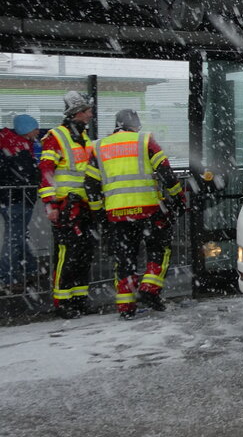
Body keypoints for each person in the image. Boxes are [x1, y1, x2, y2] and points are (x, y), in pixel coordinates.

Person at [85, 109, 184, 319]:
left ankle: (126, 307)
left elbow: (91, 185)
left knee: (124, 259)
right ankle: (150, 288)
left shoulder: (99, 147)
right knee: (159, 249)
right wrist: (178, 196)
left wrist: (98, 213)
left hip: (116, 214)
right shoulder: (145, 140)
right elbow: (166, 171)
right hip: (149, 209)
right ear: (135, 125)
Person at [38, 91, 98, 318]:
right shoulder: (56, 136)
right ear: (78, 112)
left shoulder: (84, 138)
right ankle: (63, 303)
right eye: (88, 110)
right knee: (68, 255)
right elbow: (46, 171)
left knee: (84, 255)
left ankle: (79, 300)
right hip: (65, 207)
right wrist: (50, 205)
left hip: (83, 206)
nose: (91, 114)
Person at [0, 113, 40, 292]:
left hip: (8, 199)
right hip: (19, 199)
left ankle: (32, 269)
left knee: (19, 235)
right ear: (26, 129)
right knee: (14, 239)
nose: (38, 131)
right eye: (35, 128)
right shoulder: (20, 148)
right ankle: (7, 278)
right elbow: (29, 175)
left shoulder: (9, 144)